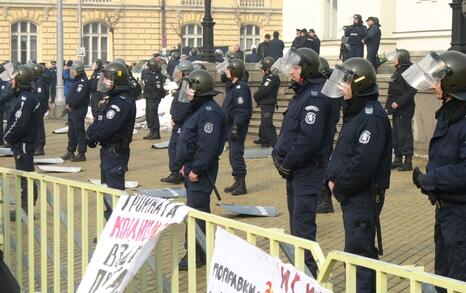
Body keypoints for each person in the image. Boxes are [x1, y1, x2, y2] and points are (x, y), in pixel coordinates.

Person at [326, 58, 392, 293]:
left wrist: (340, 187)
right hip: (353, 195)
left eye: (345, 83)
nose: (341, 87)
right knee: (358, 249)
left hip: (362, 195)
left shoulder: (371, 117)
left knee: (360, 251)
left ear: (360, 85)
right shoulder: (357, 112)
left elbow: (363, 163)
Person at [271, 48, 337, 277]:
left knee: (302, 227)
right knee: (296, 226)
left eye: (295, 67)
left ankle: (311, 275)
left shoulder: (315, 96)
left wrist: (287, 162)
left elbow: (309, 138)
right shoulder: (304, 92)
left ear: (307, 69)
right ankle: (302, 272)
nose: (290, 72)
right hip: (296, 170)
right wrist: (279, 155)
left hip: (307, 170)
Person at [407, 51, 466, 292]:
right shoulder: (451, 113)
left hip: (460, 215)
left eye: (438, 79)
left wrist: (430, 179)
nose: (433, 85)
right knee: (443, 275)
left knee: (457, 277)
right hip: (445, 210)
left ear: (453, 81)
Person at [175, 69, 226, 270]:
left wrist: (195, 168)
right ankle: (199, 249)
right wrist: (184, 166)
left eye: (190, 90)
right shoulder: (198, 109)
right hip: (191, 169)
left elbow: (208, 146)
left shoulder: (209, 113)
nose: (187, 93)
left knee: (198, 210)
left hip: (201, 171)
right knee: (195, 209)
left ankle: (197, 252)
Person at [86, 61, 136, 220]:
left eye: (108, 79)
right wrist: (91, 133)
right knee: (108, 192)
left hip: (115, 152)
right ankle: (110, 230)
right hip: (108, 151)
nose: (104, 81)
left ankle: (118, 231)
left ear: (117, 81)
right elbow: (99, 120)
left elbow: (108, 126)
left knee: (114, 195)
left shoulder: (121, 102)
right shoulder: (111, 98)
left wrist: (94, 136)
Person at [3, 65, 42, 213]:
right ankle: (24, 208)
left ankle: (25, 211)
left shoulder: (26, 99)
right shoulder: (25, 97)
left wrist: (7, 137)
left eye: (14, 79)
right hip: (23, 144)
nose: (11, 82)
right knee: (24, 178)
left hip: (24, 145)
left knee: (26, 179)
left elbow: (19, 124)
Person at [160, 60, 194, 184]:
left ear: (185, 73)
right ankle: (176, 172)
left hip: (182, 123)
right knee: (174, 148)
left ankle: (177, 173)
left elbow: (184, 107)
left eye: (178, 72)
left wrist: (176, 118)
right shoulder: (183, 86)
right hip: (179, 122)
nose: (176, 74)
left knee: (176, 148)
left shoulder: (187, 86)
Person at [222, 58, 252, 196]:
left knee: (236, 154)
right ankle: (236, 180)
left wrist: (236, 127)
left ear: (234, 71)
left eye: (228, 69)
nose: (226, 71)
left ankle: (241, 184)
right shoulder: (234, 86)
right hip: (231, 125)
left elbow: (243, 110)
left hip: (237, 126)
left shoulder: (241, 87)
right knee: (232, 154)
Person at [317, 57, 342, 214]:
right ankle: (322, 198)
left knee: (322, 165)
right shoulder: (330, 86)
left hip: (324, 131)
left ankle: (325, 200)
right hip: (326, 130)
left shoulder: (326, 89)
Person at [385, 49, 417, 171]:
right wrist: (388, 107)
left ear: (401, 59)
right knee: (396, 135)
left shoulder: (408, 72)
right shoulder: (398, 71)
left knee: (405, 135)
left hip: (404, 109)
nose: (393, 59)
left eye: (396, 57)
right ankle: (398, 159)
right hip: (396, 109)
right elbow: (392, 92)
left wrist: (398, 103)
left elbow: (411, 91)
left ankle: (408, 161)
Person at [61, 61, 90, 162]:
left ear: (78, 71)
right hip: (72, 110)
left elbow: (78, 97)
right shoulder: (77, 81)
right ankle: (70, 151)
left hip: (78, 111)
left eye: (73, 70)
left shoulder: (82, 82)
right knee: (71, 132)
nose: (71, 72)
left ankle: (81, 153)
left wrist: (70, 105)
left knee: (79, 131)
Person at [253, 57, 279, 148]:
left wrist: (256, 95)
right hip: (266, 103)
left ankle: (275, 143)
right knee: (264, 122)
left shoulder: (270, 78)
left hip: (268, 104)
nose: (261, 70)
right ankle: (264, 139)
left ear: (267, 69)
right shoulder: (268, 77)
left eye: (262, 69)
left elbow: (263, 91)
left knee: (267, 123)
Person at [141, 58, 165, 140]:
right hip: (148, 96)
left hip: (155, 97)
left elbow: (159, 88)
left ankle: (156, 132)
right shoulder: (145, 72)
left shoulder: (158, 75)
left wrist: (161, 94)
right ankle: (151, 131)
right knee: (148, 114)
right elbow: (143, 80)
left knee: (153, 114)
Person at [30, 63, 49, 156]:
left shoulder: (40, 82)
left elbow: (40, 96)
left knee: (39, 128)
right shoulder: (37, 80)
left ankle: (40, 147)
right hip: (37, 108)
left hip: (39, 108)